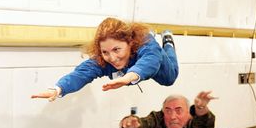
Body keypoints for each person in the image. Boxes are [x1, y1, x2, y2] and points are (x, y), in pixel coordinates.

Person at [31, 17, 178, 101]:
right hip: (130, 73)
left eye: (116, 49)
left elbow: (150, 60)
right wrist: (58, 89)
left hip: (153, 62)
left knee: (169, 78)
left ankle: (167, 40)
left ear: (130, 43)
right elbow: (81, 73)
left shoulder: (145, 45)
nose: (112, 58)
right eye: (105, 52)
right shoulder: (103, 60)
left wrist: (129, 77)